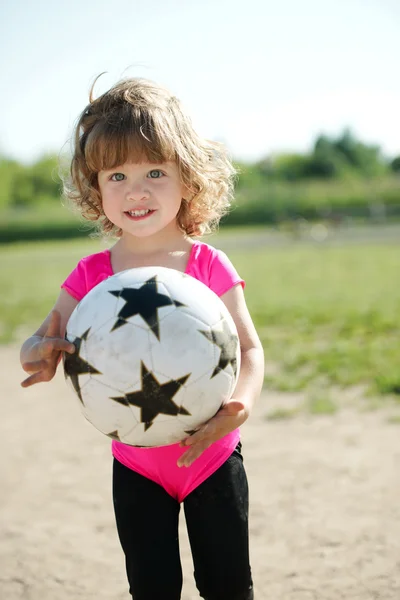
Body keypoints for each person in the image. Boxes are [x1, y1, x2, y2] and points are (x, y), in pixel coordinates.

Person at [20, 76, 265, 600]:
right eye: (117, 174)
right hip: (135, 462)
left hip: (213, 456)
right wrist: (37, 355)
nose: (137, 189)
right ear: (96, 188)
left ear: (187, 177)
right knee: (151, 588)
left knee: (228, 585)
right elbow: (39, 342)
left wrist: (240, 405)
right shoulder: (90, 276)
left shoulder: (208, 265)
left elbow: (248, 349)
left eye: (156, 171)